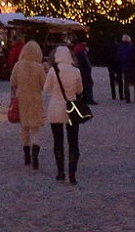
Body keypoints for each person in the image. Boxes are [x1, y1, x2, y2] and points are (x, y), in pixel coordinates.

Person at [43, 45, 84, 184]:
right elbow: (79, 90)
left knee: (58, 141)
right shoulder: (76, 71)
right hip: (71, 109)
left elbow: (46, 89)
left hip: (55, 108)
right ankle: (72, 174)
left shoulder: (53, 71)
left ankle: (60, 171)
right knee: (73, 142)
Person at [9, 40, 46, 169]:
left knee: (24, 127)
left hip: (22, 98)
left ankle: (26, 154)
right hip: (35, 99)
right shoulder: (39, 67)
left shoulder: (18, 66)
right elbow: (44, 85)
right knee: (35, 129)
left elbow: (13, 82)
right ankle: (35, 152)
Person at [73, 38, 96, 105]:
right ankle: (88, 99)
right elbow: (86, 61)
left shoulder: (76, 48)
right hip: (85, 69)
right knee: (88, 84)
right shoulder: (83, 50)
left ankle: (81, 98)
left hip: (79, 69)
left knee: (82, 83)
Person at [117, 35, 135, 103]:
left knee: (126, 83)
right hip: (132, 66)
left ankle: (127, 98)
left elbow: (118, 57)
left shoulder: (120, 48)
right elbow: (134, 57)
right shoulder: (132, 47)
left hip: (124, 66)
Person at [107, 36, 124, 100]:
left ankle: (113, 95)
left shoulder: (108, 47)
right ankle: (121, 95)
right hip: (118, 65)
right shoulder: (118, 46)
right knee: (120, 80)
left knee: (112, 80)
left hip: (111, 64)